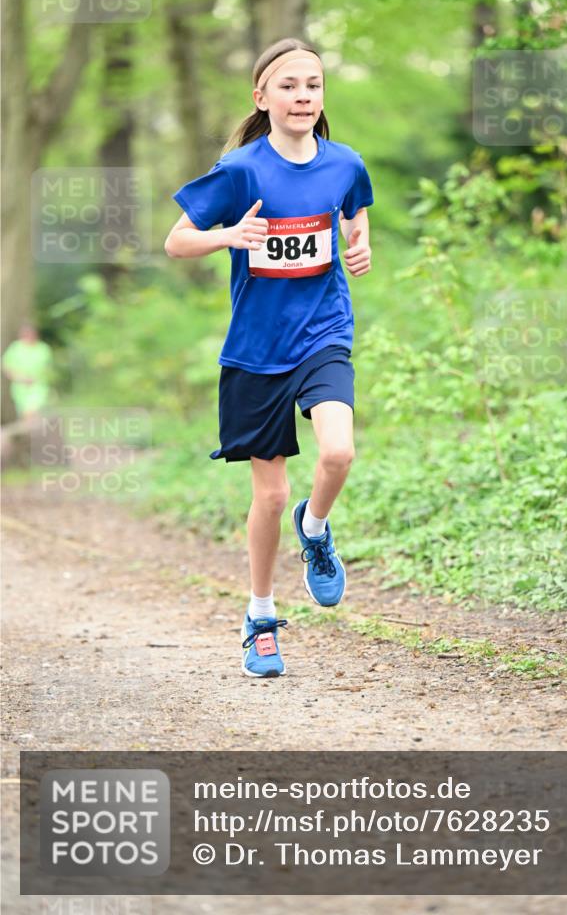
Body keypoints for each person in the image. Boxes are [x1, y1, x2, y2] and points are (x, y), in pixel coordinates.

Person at [165, 37, 374, 679]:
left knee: (338, 452)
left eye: (312, 85)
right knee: (270, 494)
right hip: (257, 354)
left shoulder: (344, 164)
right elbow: (176, 241)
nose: (303, 96)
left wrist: (360, 246)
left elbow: (356, 215)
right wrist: (230, 234)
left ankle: (317, 530)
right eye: (288, 86)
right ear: (262, 97)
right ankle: (260, 616)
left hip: (323, 333)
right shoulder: (241, 170)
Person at [2, 322, 53, 422]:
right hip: (20, 388)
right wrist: (19, 378)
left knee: (34, 411)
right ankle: (29, 435)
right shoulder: (15, 348)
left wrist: (37, 377)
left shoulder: (43, 349)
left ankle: (35, 434)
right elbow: (6, 366)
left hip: (39, 386)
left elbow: (48, 368)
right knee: (25, 415)